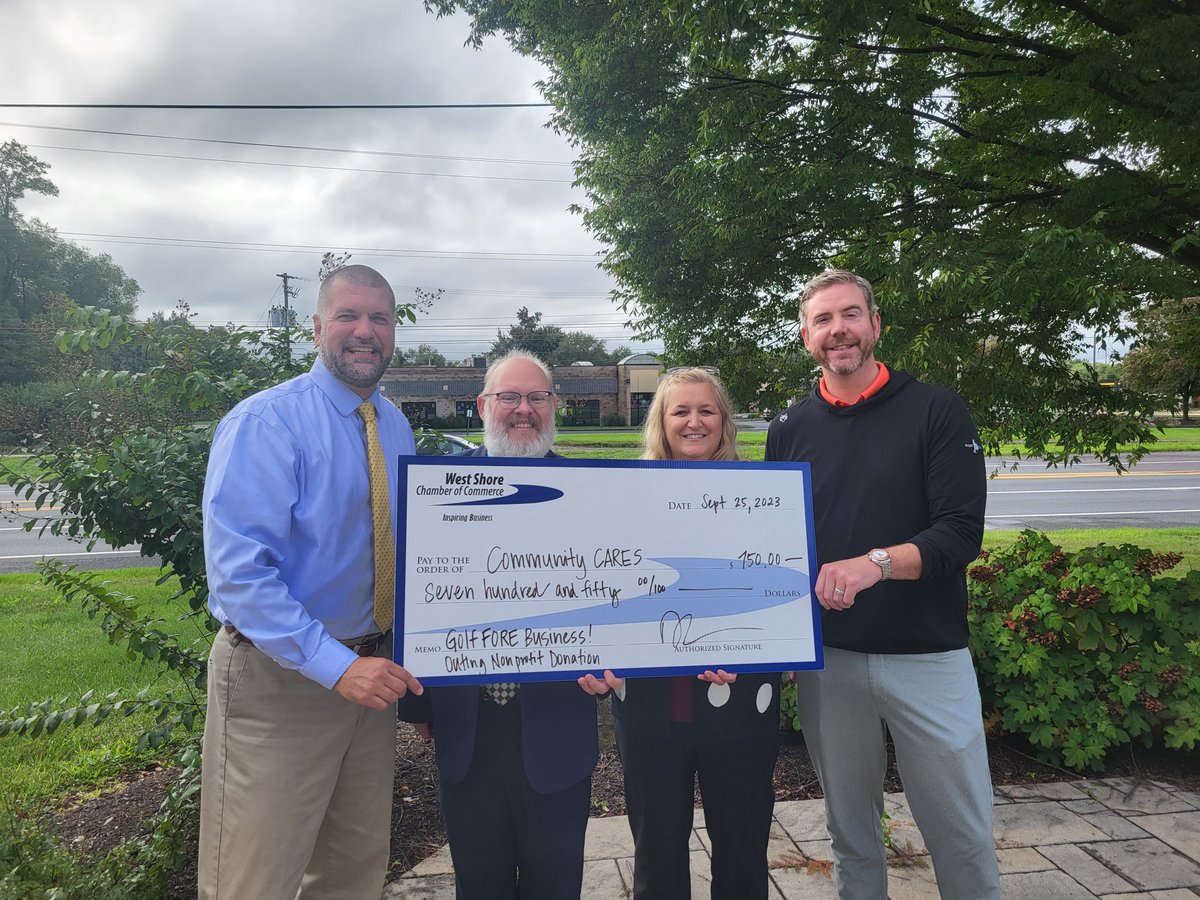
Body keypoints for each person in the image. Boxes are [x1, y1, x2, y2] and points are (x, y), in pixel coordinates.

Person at [765, 269, 1000, 899]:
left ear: (875, 325)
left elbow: (960, 533)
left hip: (928, 656)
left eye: (850, 315)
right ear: (807, 336)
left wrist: (876, 563)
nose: (837, 330)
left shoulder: (936, 410)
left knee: (962, 834)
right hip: (829, 662)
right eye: (822, 320)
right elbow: (775, 545)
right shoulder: (788, 428)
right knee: (851, 835)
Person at [199, 264, 424, 900]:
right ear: (318, 325)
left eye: (380, 318)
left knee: (352, 873)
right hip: (280, 680)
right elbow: (240, 578)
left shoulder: (395, 426)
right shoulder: (267, 422)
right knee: (254, 878)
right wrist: (336, 666)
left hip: (371, 677)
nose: (365, 331)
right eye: (349, 315)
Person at [397, 350, 599, 900]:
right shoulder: (438, 488)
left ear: (554, 405)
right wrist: (418, 706)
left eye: (536, 397)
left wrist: (617, 664)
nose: (523, 409)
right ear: (483, 405)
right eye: (509, 396)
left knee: (556, 886)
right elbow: (415, 590)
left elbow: (616, 593)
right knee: (479, 884)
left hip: (558, 728)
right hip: (466, 729)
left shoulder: (593, 493)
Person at [579, 367, 782, 900]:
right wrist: (596, 650)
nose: (694, 422)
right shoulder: (623, 496)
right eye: (681, 411)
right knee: (657, 850)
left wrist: (754, 646)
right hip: (650, 706)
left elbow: (778, 586)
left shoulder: (763, 494)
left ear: (724, 420)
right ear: (661, 422)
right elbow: (603, 585)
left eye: (706, 410)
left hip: (742, 700)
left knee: (742, 847)